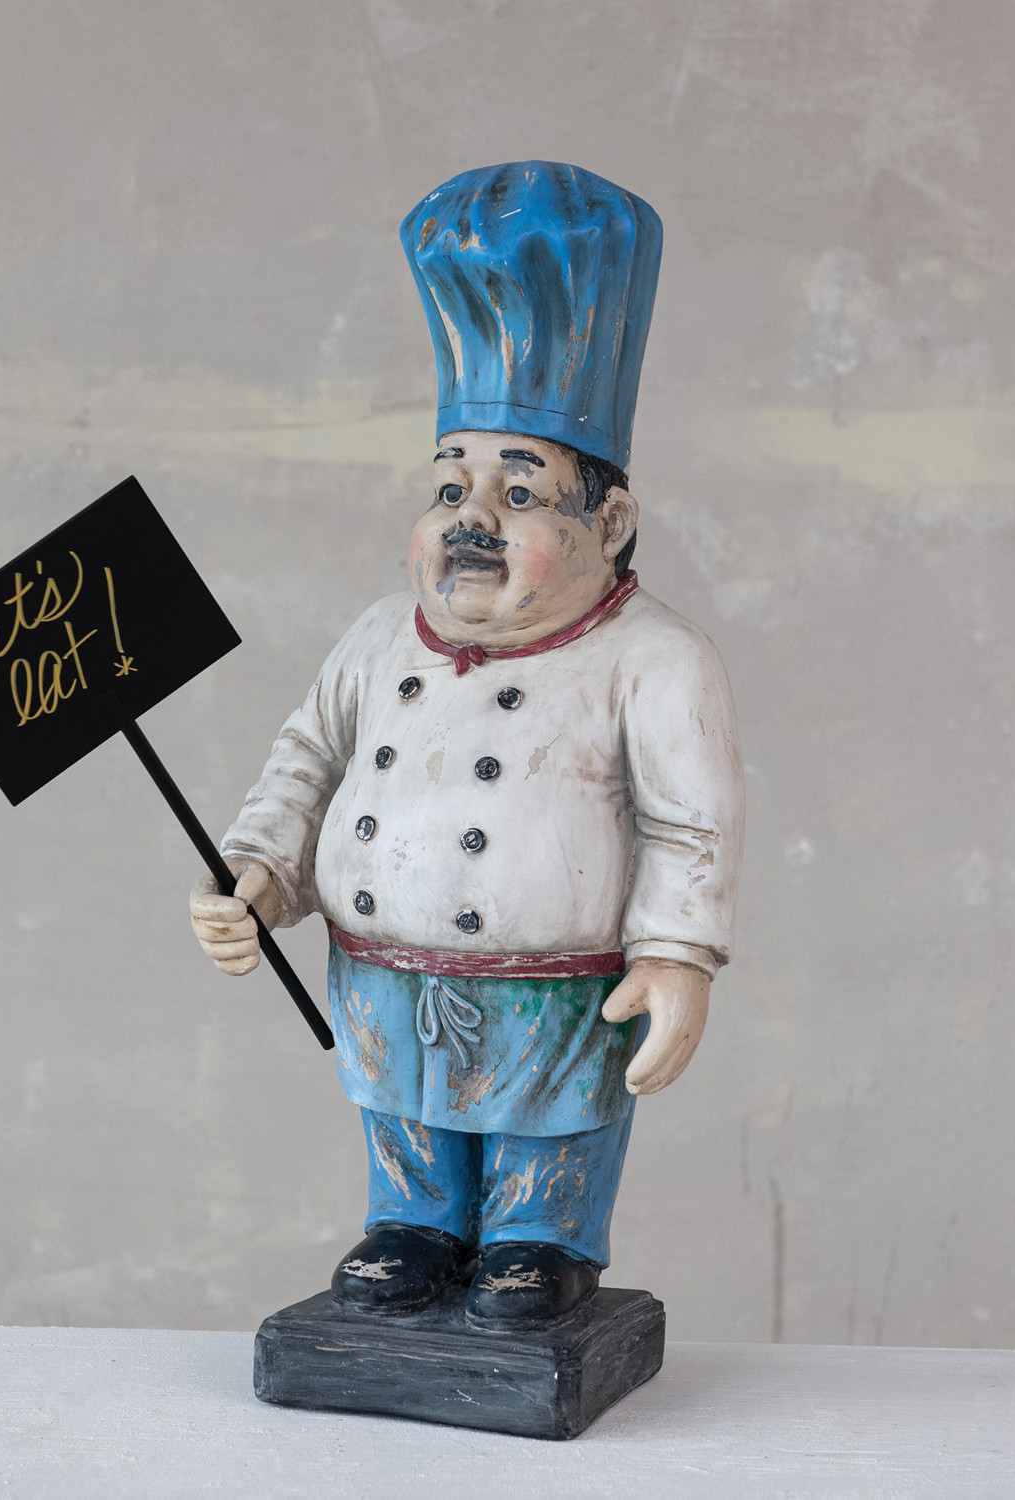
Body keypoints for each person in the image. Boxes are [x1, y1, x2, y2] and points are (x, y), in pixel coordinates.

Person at [191, 161, 744, 1329]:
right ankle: (415, 1222)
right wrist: (257, 873)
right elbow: (305, 764)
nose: (471, 520)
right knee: (404, 1109)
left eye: (520, 493)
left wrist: (678, 958)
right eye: (450, 489)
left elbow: (689, 826)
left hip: (558, 987)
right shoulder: (374, 638)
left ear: (610, 522)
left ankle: (542, 1238)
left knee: (551, 1120)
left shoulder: (655, 658)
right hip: (379, 967)